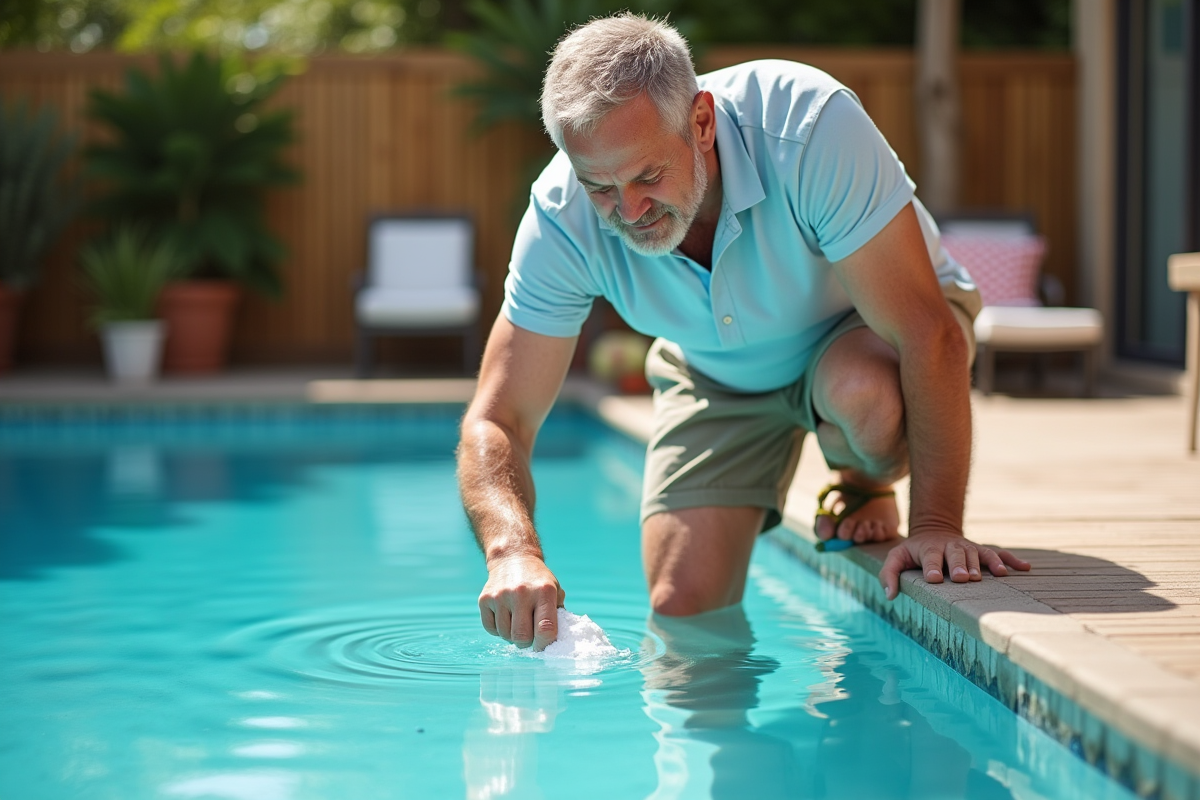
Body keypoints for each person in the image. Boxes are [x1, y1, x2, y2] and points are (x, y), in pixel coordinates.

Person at [457, 13, 1031, 651]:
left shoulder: (808, 127)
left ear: (701, 122)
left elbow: (927, 332)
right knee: (682, 603)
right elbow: (499, 417)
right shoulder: (560, 217)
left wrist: (936, 525)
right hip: (715, 368)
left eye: (648, 176)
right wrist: (511, 553)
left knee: (864, 397)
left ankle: (862, 482)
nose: (629, 210)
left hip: (862, 329)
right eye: (600, 187)